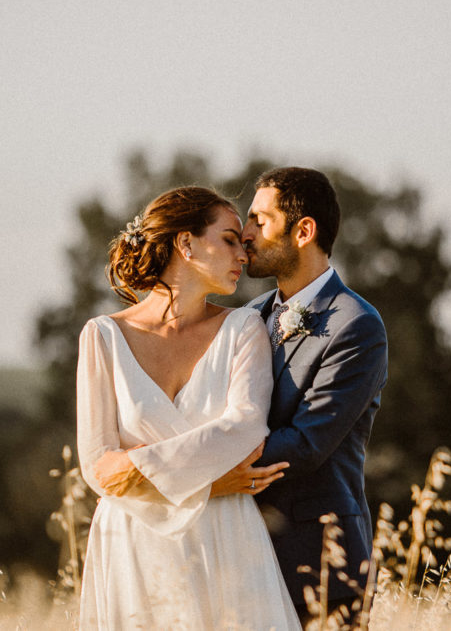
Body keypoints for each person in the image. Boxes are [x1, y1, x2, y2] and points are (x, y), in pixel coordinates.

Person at [75, 186, 302, 630]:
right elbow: (95, 466)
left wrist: (134, 469)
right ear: (186, 243)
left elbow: (245, 428)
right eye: (230, 239)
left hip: (224, 536)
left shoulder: (243, 328)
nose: (245, 253)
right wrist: (209, 485)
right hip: (133, 540)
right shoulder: (102, 337)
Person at [214, 167, 388, 624]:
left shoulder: (356, 325)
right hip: (243, 553)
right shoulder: (251, 315)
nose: (244, 234)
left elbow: (308, 444)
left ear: (303, 231)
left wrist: (202, 464)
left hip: (320, 558)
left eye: (259, 220)